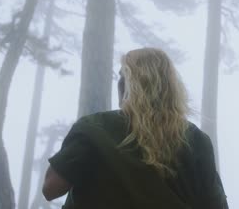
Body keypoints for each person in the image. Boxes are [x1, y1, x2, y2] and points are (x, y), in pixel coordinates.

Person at [42, 47, 228, 208]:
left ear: (126, 84)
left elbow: (50, 188)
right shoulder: (195, 139)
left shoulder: (95, 128)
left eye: (122, 77)